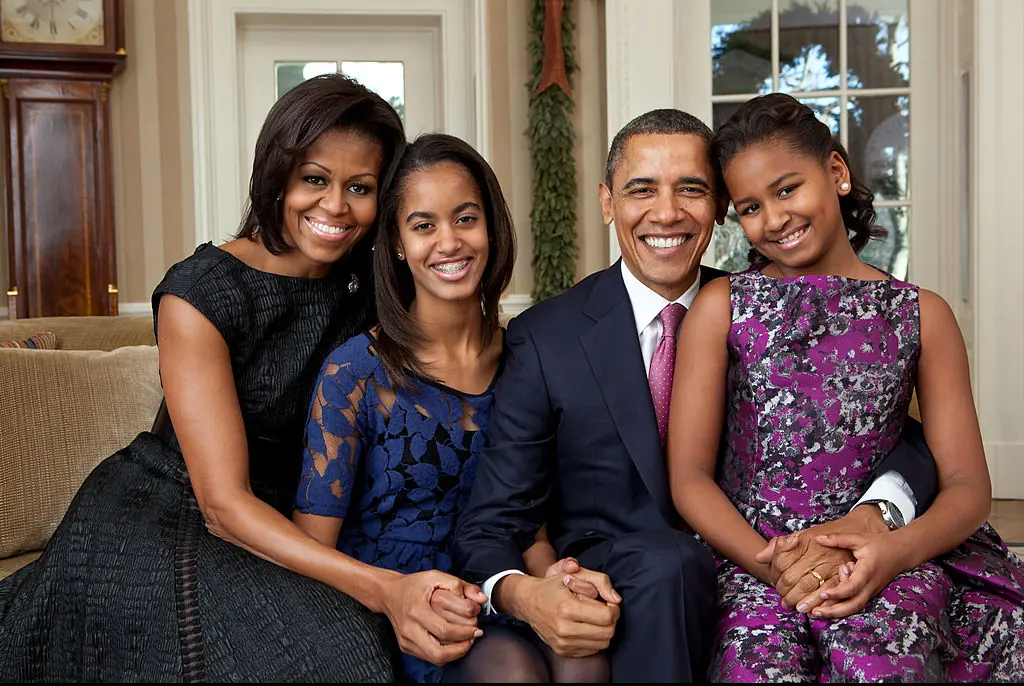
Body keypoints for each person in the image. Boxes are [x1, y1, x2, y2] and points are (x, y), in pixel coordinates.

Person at [451, 108, 943, 682]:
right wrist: (529, 593)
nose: (667, 212)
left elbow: (883, 426)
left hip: (765, 558)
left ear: (717, 208)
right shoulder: (546, 337)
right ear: (608, 202)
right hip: (631, 577)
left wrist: (881, 509)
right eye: (642, 190)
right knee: (669, 562)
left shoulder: (763, 306)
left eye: (691, 189)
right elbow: (491, 523)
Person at [0, 74, 413, 681]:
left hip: (290, 518)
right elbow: (222, 502)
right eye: (314, 179)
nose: (334, 207)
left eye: (361, 187)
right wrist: (382, 588)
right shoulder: (201, 293)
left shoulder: (366, 286)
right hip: (168, 516)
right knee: (338, 657)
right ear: (277, 174)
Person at [668, 92, 1024, 682]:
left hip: (888, 555)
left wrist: (890, 555)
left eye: (787, 190)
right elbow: (689, 479)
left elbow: (967, 486)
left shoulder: (922, 314)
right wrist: (778, 567)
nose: (774, 219)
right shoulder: (721, 307)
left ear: (836, 172)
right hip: (757, 557)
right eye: (750, 207)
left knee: (881, 654)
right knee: (759, 662)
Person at [292, 133, 609, 684]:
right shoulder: (356, 373)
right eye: (423, 225)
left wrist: (557, 580)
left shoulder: (528, 359)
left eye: (465, 219)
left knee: (583, 659)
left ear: (491, 226)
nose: (449, 243)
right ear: (395, 242)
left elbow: (528, 527)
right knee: (512, 671)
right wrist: (392, 597)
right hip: (397, 611)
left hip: (499, 587)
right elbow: (311, 550)